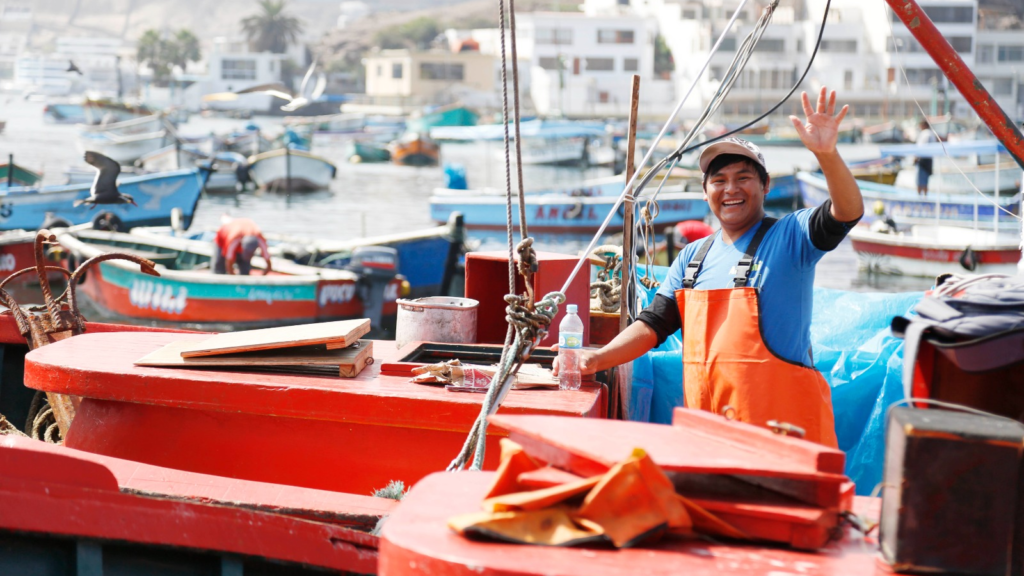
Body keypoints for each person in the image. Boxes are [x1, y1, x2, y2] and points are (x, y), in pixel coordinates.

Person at [555, 87, 863, 447]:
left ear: (765, 185)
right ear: (705, 192)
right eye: (719, 181)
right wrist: (597, 358)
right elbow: (654, 324)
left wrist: (827, 155)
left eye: (743, 178)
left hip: (784, 440)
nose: (730, 188)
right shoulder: (692, 258)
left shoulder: (791, 236)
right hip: (709, 438)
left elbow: (847, 212)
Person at [915, 119, 936, 196]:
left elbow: (922, 148)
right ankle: (924, 196)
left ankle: (920, 197)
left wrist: (916, 158)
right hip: (929, 159)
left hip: (922, 159)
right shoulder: (932, 134)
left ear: (924, 125)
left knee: (920, 181)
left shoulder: (925, 134)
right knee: (925, 181)